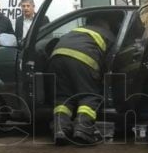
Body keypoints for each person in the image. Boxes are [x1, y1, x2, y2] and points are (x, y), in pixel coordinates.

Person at [49, 15, 115, 145]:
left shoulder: (77, 30)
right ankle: (83, 131)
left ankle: (60, 130)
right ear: (105, 24)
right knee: (89, 96)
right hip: (83, 59)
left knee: (63, 97)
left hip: (56, 58)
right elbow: (112, 60)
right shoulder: (108, 34)